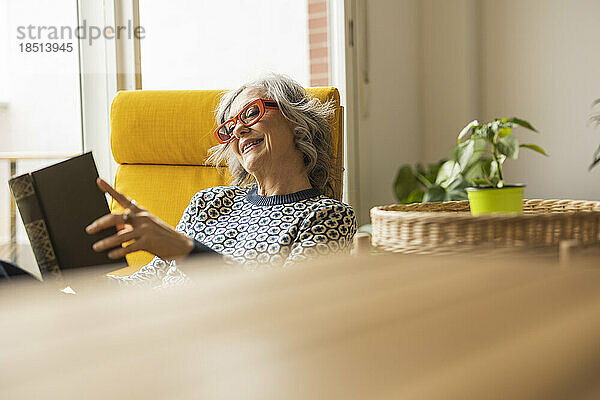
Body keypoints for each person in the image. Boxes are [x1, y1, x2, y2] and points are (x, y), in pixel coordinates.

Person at [86, 74, 357, 287]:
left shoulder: (328, 216)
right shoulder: (209, 202)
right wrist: (85, 284)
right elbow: (148, 283)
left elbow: (287, 309)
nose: (238, 129)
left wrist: (188, 252)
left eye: (251, 113)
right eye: (229, 127)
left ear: (297, 120)